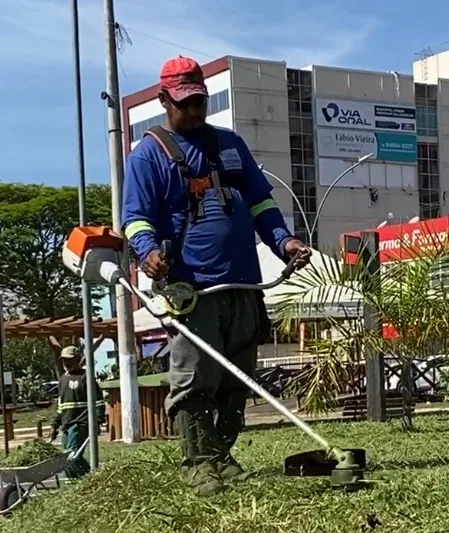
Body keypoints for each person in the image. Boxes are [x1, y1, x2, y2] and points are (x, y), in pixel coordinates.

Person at [122, 56, 311, 496]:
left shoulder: (230, 145)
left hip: (243, 284)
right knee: (195, 380)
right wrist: (147, 253)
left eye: (200, 102)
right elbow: (135, 218)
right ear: (164, 99)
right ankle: (197, 463)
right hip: (193, 291)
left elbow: (262, 205)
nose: (193, 111)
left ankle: (222, 456)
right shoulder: (149, 154)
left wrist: (285, 242)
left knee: (235, 378)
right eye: (184, 103)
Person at [50, 345, 105, 479]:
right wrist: (54, 425)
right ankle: (73, 483)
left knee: (73, 455)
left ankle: (93, 478)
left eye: (70, 360)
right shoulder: (63, 379)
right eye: (64, 360)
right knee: (65, 457)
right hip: (66, 425)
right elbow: (61, 406)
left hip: (81, 423)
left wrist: (97, 422)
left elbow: (99, 402)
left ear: (78, 360)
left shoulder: (86, 378)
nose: (67, 363)